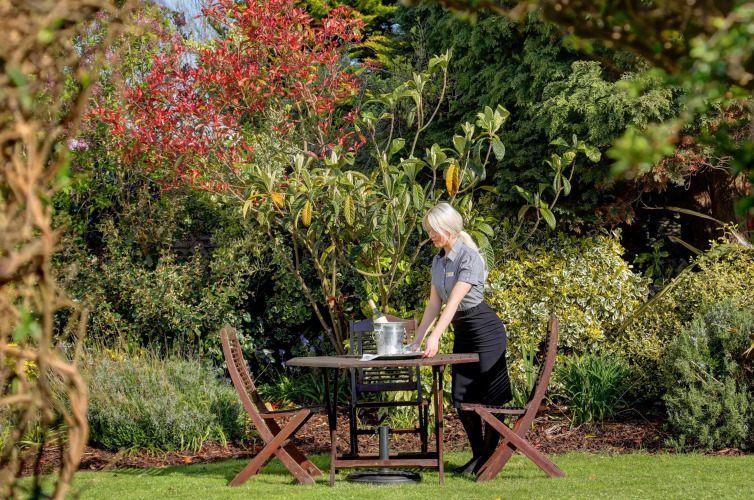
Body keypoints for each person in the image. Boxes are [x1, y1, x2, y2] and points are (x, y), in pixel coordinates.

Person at [409, 202, 512, 475]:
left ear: (449, 228)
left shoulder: (469, 257)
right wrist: (418, 340)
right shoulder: (438, 261)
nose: (430, 235)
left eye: (434, 230)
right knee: (462, 399)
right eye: (428, 230)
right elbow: (434, 304)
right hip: (464, 335)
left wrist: (435, 338)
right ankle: (478, 456)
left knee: (491, 400)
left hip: (487, 332)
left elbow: (453, 302)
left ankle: (486, 459)